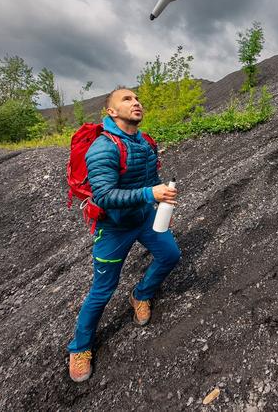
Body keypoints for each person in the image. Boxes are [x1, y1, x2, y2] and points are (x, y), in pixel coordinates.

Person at [67, 88, 180, 383]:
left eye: (137, 98)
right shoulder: (103, 148)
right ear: (111, 112)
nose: (136, 102)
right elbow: (103, 195)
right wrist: (149, 193)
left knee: (170, 255)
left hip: (145, 217)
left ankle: (140, 295)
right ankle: (79, 347)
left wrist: (161, 194)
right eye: (126, 99)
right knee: (103, 289)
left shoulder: (145, 142)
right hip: (114, 228)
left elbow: (150, 178)